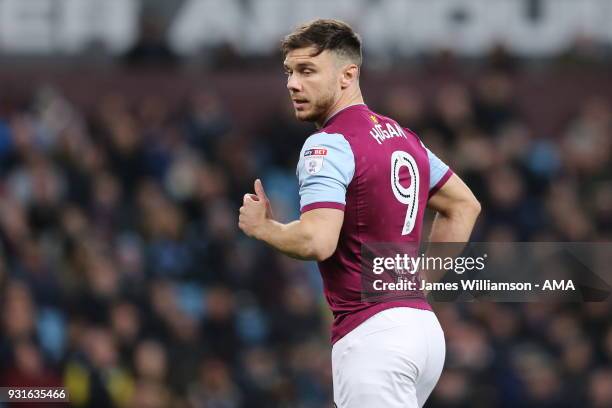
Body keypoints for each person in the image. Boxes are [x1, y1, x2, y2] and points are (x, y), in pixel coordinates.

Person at [238, 19, 480, 408]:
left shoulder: (328, 145)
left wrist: (264, 228)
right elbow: (464, 205)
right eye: (289, 72)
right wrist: (418, 284)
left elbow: (318, 240)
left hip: (373, 337)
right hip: (421, 330)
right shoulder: (403, 136)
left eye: (307, 71)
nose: (292, 84)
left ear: (348, 74)